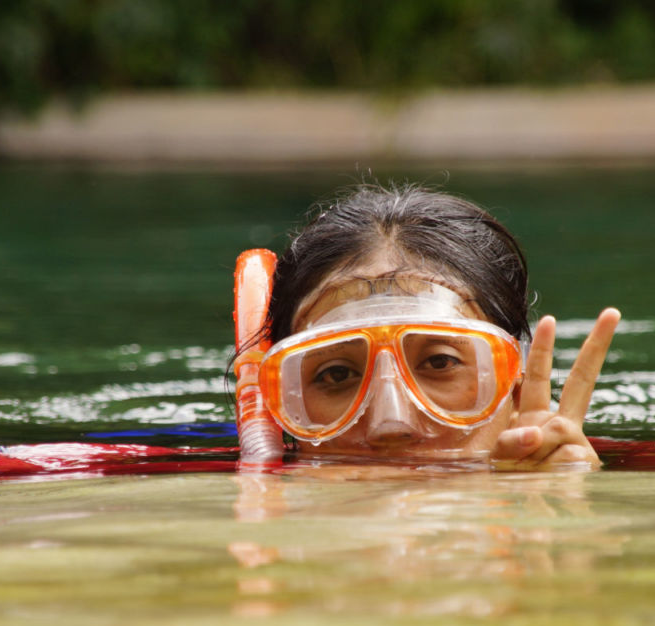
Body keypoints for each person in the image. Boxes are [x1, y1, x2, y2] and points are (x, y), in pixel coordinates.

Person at [250, 181, 620, 469]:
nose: (390, 426)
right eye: (335, 374)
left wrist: (564, 502)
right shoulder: (213, 482)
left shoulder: (647, 470)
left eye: (440, 362)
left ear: (515, 391)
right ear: (279, 408)